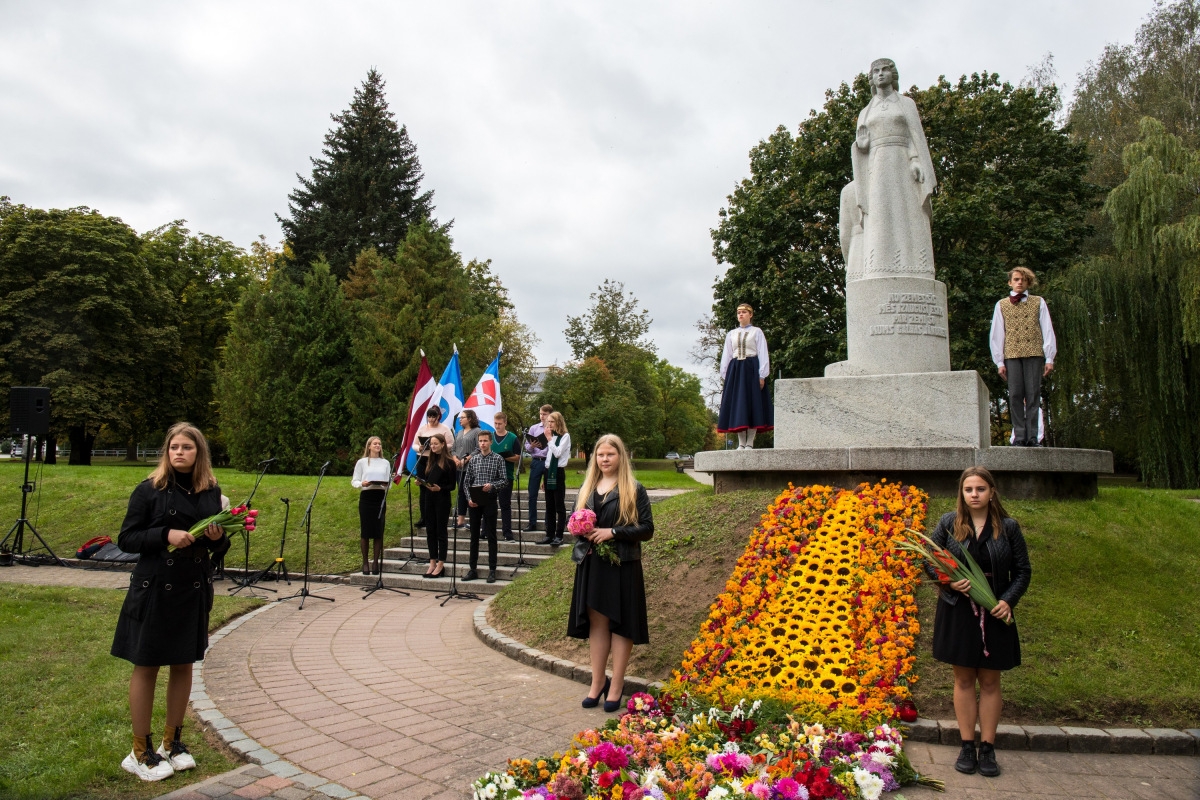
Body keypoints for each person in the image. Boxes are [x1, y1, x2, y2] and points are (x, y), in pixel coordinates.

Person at [111, 422, 231, 782]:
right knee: (146, 665)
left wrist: (217, 537)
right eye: (174, 447)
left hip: (192, 589)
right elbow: (127, 538)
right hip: (155, 588)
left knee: (183, 664)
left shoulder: (211, 492)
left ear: (199, 453)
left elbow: (218, 549)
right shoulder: (149, 490)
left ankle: (172, 742)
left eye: (187, 447)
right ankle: (139, 750)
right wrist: (165, 533)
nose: (179, 452)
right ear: (167, 451)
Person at [926, 467, 1032, 779]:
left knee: (989, 681)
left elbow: (1023, 570)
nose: (974, 494)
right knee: (962, 679)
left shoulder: (1008, 528)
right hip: (959, 609)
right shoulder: (949, 524)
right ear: (961, 493)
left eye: (980, 489)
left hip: (995, 610)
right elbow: (927, 558)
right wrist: (946, 582)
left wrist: (1007, 600)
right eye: (969, 489)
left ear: (992, 492)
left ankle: (988, 747)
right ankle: (966, 744)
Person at [568, 434, 654, 712]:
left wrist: (613, 532)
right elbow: (574, 522)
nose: (605, 459)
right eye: (600, 455)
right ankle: (597, 683)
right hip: (592, 564)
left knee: (621, 623)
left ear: (621, 457)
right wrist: (577, 528)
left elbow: (647, 529)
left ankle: (616, 685)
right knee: (597, 623)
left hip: (623, 564)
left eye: (610, 455)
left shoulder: (634, 489)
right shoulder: (587, 488)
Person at [851, 57, 937, 278]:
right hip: (877, 165)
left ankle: (914, 263)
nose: (880, 74)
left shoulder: (906, 103)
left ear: (893, 75)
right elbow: (861, 146)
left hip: (901, 162)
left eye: (885, 70)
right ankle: (880, 263)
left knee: (906, 211)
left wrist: (915, 159)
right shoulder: (866, 111)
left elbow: (914, 136)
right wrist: (861, 147)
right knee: (880, 213)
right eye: (876, 71)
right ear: (871, 78)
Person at [989, 267, 1057, 447]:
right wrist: (999, 361)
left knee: (1033, 394)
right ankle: (1019, 436)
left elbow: (1047, 329)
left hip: (1034, 353)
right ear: (1010, 282)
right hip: (1012, 354)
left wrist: (1049, 357)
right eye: (1017, 279)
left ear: (1028, 283)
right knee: (1016, 395)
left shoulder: (1038, 302)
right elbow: (997, 334)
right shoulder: (1001, 304)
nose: (1020, 282)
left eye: (1023, 280)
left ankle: (1033, 436)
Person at [717, 304, 773, 449]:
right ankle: (741, 443)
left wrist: (762, 375)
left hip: (751, 368)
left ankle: (750, 443)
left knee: (753, 403)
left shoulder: (757, 332)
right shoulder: (732, 334)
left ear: (750, 315)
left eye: (743, 312)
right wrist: (726, 374)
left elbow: (762, 352)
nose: (740, 315)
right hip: (736, 370)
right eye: (738, 312)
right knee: (739, 405)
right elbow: (727, 354)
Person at [461, 429, 508, 583]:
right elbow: (466, 482)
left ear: (490, 442)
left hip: (489, 499)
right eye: (480, 441)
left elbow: (504, 480)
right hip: (474, 502)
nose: (482, 443)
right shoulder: (473, 460)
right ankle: (472, 568)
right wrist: (469, 498)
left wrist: (492, 485)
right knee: (474, 536)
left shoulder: (498, 459)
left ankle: (492, 569)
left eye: (485, 441)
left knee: (491, 535)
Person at [416, 433, 455, 578]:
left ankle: (440, 563)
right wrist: (421, 481)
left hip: (442, 499)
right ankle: (432, 561)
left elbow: (452, 485)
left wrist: (441, 488)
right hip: (429, 498)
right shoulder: (428, 460)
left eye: (435, 444)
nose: (433, 446)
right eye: (431, 444)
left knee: (440, 531)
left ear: (443, 444)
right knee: (430, 531)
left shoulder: (449, 462)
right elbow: (427, 478)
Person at [351, 436, 392, 576]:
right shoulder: (362, 462)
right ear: (369, 446)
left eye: (379, 444)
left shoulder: (385, 462)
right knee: (366, 530)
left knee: (378, 530)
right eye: (375, 443)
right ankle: (365, 562)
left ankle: (375, 562)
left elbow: (389, 483)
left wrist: (386, 484)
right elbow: (355, 481)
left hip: (380, 496)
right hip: (367, 497)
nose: (377, 446)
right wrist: (362, 483)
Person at [412, 407, 454, 527]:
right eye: (429, 417)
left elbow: (451, 444)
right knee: (423, 487)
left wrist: (438, 446)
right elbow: (414, 444)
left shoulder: (444, 428)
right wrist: (420, 448)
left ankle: (435, 514)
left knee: (433, 484)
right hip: (423, 458)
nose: (431, 419)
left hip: (438, 458)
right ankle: (423, 517)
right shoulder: (422, 428)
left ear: (438, 417)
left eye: (433, 417)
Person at [537, 411, 571, 547]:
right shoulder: (550, 437)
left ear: (558, 422)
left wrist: (549, 439)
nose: (549, 424)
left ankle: (559, 535)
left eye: (552, 421)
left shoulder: (565, 436)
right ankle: (549, 534)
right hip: (548, 471)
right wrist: (543, 479)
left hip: (557, 472)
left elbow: (557, 453)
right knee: (549, 506)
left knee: (559, 505)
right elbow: (548, 458)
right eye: (548, 422)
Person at [490, 412, 521, 541]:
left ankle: (507, 532)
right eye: (496, 424)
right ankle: (486, 530)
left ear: (505, 423)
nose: (497, 426)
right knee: (489, 504)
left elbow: (518, 457)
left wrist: (505, 457)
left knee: (505, 504)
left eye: (500, 424)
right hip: (490, 476)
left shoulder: (512, 438)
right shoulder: (490, 437)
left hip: (506, 475)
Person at [523, 404, 554, 531]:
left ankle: (548, 522)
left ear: (550, 415)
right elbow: (526, 447)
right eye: (541, 414)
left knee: (549, 494)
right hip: (536, 461)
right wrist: (532, 446)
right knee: (532, 493)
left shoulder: (554, 428)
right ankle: (532, 522)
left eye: (545, 414)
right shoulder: (534, 428)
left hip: (549, 461)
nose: (542, 416)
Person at [453, 409, 483, 527]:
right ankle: (460, 520)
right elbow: (453, 449)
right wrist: (455, 458)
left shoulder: (477, 431)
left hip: (471, 467)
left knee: (472, 492)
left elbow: (478, 448)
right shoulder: (459, 433)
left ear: (470, 418)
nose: (460, 420)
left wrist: (467, 458)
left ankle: (474, 519)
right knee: (461, 492)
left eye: (463, 417)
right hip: (459, 468)